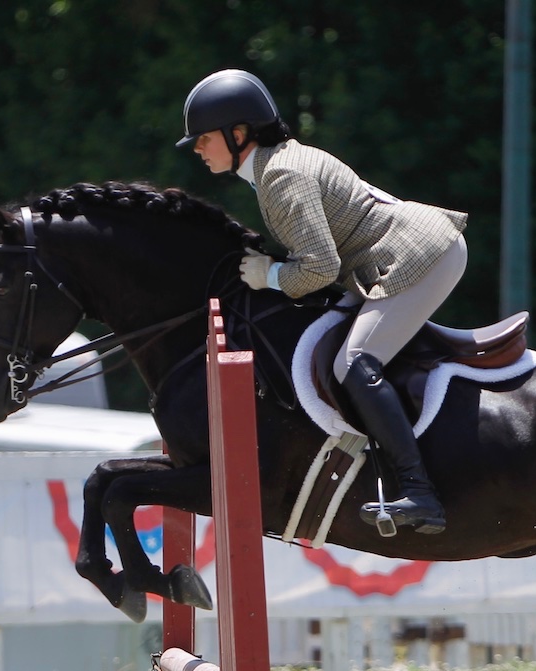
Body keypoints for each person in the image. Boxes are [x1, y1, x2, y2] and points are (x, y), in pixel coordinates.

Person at [177, 68, 468, 536]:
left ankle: (419, 492)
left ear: (238, 134)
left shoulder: (281, 175)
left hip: (418, 256)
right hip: (387, 256)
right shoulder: (276, 165)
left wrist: (269, 275)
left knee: (353, 361)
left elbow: (317, 270)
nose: (196, 148)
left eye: (203, 138)